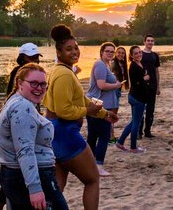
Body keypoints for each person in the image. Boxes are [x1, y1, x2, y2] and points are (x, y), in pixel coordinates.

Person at [43, 24, 118, 210]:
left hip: (56, 134)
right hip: (65, 134)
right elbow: (64, 110)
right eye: (68, 49)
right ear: (58, 52)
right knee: (92, 179)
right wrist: (88, 112)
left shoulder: (62, 70)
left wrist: (103, 113)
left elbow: (81, 99)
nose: (74, 52)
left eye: (76, 47)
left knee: (57, 187)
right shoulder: (64, 75)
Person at [0, 63, 68, 210]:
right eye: (34, 83)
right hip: (31, 177)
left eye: (43, 84)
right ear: (19, 83)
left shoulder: (18, 102)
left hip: (20, 175)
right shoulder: (23, 107)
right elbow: (24, 150)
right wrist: (35, 189)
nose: (39, 88)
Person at [0, 43, 43, 210]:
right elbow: (14, 96)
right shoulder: (19, 73)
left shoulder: (33, 72)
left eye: (36, 57)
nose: (35, 60)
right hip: (20, 123)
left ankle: (0, 204)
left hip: (27, 121)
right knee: (19, 165)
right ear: (22, 57)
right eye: (31, 57)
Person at [86, 42, 124, 176]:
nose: (110, 53)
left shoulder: (106, 65)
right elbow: (101, 85)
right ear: (101, 52)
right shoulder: (100, 65)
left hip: (98, 105)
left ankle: (90, 164)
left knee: (93, 135)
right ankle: (98, 166)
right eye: (107, 51)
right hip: (99, 106)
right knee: (103, 135)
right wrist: (117, 85)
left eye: (112, 51)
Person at [115, 45, 149, 154]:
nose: (139, 54)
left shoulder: (139, 64)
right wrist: (145, 78)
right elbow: (137, 83)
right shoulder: (133, 66)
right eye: (136, 53)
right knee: (136, 123)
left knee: (134, 121)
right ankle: (133, 147)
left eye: (140, 52)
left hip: (137, 97)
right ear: (131, 55)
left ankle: (120, 142)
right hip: (137, 98)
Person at [139, 34, 160, 138]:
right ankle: (139, 132)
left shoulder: (155, 55)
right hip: (142, 87)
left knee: (150, 110)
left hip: (152, 86)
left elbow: (156, 71)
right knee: (141, 109)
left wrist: (158, 86)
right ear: (144, 42)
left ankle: (148, 131)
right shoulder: (140, 54)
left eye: (152, 41)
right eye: (148, 41)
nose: (150, 42)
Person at [110, 46, 129, 142]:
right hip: (113, 90)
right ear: (115, 53)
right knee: (112, 113)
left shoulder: (122, 64)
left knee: (114, 113)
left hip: (117, 90)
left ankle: (111, 135)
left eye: (122, 53)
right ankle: (111, 136)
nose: (120, 54)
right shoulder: (113, 63)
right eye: (119, 52)